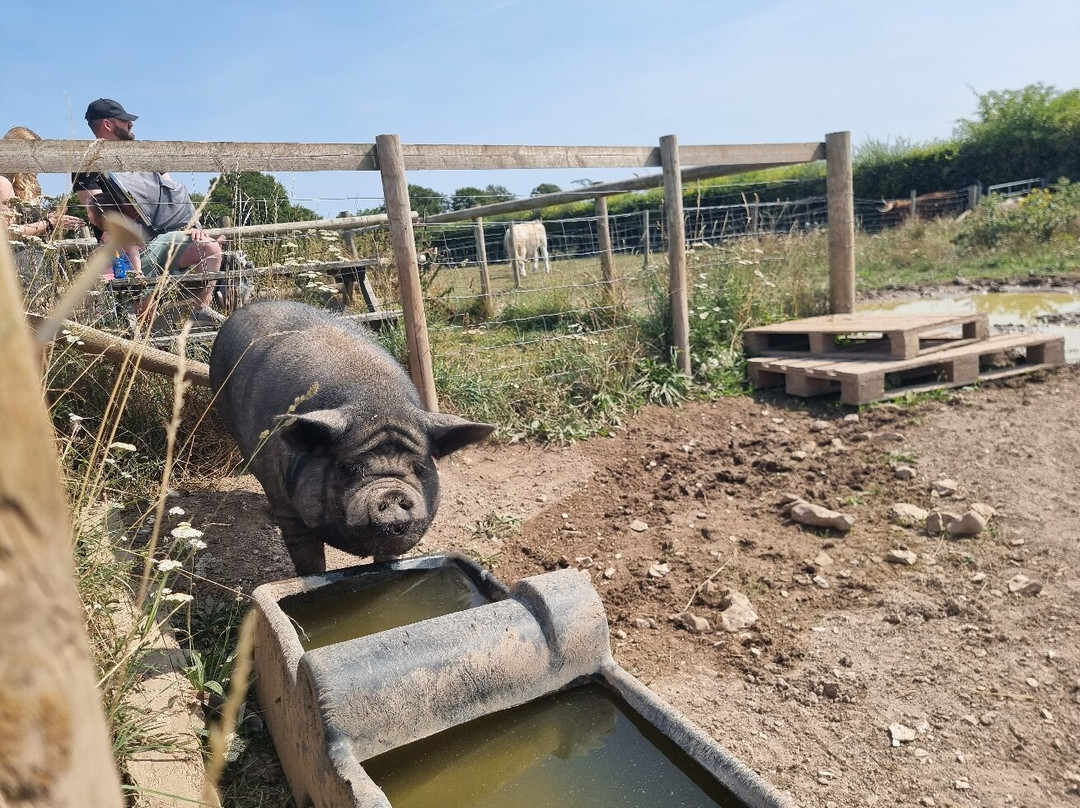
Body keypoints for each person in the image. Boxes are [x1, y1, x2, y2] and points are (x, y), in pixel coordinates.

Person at [72, 98, 226, 325]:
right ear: (107, 125)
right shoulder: (88, 164)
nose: (130, 125)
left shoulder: (145, 155)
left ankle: (197, 312)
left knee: (209, 248)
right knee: (145, 312)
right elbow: (96, 213)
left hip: (165, 237)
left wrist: (194, 228)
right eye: (124, 121)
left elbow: (172, 198)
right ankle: (154, 335)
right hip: (125, 250)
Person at [1, 125, 84, 240]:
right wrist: (48, 223)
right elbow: (6, 232)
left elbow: (28, 225)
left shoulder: (30, 184)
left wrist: (53, 218)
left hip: (33, 255)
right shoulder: (3, 183)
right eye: (32, 153)